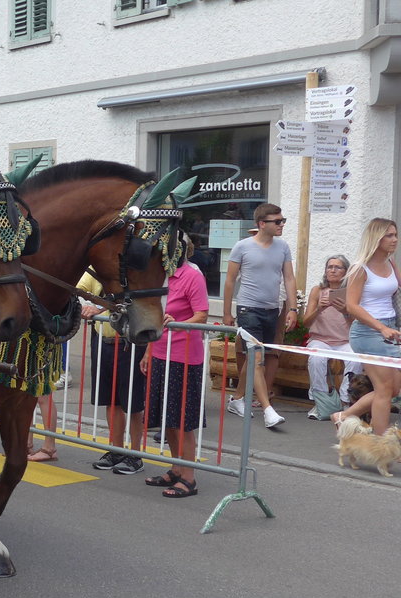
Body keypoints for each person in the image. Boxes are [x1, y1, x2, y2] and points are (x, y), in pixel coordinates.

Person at [140, 237, 208, 499]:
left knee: (183, 419)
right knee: (167, 417)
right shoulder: (161, 277)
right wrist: (148, 351)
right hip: (160, 351)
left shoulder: (192, 276)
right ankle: (176, 467)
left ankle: (189, 477)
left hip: (184, 355)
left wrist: (179, 323)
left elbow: (201, 314)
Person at [221, 203, 297, 429]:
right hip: (248, 309)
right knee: (257, 358)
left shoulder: (282, 247)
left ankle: (236, 399)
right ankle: (267, 409)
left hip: (271, 310)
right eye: (277, 221)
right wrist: (227, 312)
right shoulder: (242, 247)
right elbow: (230, 280)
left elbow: (289, 279)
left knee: (255, 356)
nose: (282, 224)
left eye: (283, 220)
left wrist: (292, 309)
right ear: (262, 224)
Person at [81, 273, 146, 475]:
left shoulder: (131, 272)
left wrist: (98, 308)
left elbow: (130, 303)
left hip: (130, 344)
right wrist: (87, 303)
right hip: (104, 342)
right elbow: (78, 290)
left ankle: (135, 455)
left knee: (133, 404)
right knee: (111, 401)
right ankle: (116, 450)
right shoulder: (96, 269)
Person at [342, 218, 401, 435]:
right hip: (368, 332)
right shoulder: (360, 268)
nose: (394, 239)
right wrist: (380, 328)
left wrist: (388, 328)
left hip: (390, 329)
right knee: (385, 390)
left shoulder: (390, 262)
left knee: (393, 389)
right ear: (376, 238)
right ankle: (381, 443)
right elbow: (352, 305)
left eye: (395, 234)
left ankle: (345, 415)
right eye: (389, 235)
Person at [302, 254, 360, 418]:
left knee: (355, 358)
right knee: (316, 359)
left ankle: (345, 401)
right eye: (330, 267)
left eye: (338, 267)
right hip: (320, 339)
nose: (333, 270)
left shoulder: (351, 292)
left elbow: (358, 323)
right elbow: (306, 322)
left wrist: (345, 311)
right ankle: (320, 402)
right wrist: (319, 309)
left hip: (345, 340)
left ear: (346, 272)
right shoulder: (318, 290)